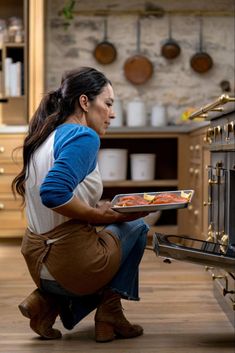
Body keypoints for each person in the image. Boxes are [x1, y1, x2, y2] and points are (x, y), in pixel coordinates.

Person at [12, 67, 150, 343]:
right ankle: (109, 314)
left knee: (109, 228)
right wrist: (97, 216)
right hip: (70, 264)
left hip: (38, 262)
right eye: (108, 104)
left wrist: (97, 207)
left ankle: (46, 302)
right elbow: (52, 193)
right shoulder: (83, 136)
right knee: (136, 226)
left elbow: (54, 194)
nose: (112, 113)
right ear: (85, 102)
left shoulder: (46, 136)